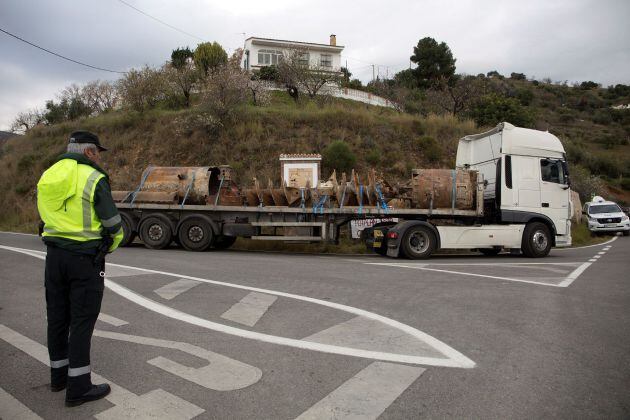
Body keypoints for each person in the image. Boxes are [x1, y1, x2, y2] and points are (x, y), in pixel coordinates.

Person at [36, 130, 124, 407]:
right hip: (85, 260)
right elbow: (112, 223)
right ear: (88, 151)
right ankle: (78, 388)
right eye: (97, 151)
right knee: (82, 322)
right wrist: (110, 246)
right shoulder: (94, 177)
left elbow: (44, 215)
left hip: (54, 257)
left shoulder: (48, 174)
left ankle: (58, 377)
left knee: (57, 318)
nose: (98, 157)